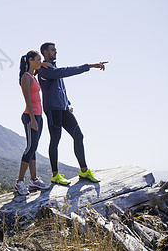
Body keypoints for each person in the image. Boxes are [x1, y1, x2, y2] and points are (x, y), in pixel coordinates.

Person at [38, 42, 107, 185]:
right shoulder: (44, 70)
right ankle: (55, 175)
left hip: (63, 108)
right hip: (52, 110)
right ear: (45, 52)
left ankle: (84, 171)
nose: (55, 51)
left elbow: (60, 87)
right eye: (52, 50)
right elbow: (65, 72)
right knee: (55, 140)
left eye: (55, 49)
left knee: (78, 135)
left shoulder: (52, 67)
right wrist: (89, 66)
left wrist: (68, 103)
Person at [15, 50, 51, 195]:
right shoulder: (26, 78)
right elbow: (27, 100)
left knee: (34, 147)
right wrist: (32, 119)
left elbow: (38, 66)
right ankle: (19, 182)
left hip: (38, 115)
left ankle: (34, 180)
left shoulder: (32, 75)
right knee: (30, 147)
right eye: (37, 59)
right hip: (31, 116)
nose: (39, 62)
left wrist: (43, 64)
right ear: (30, 60)